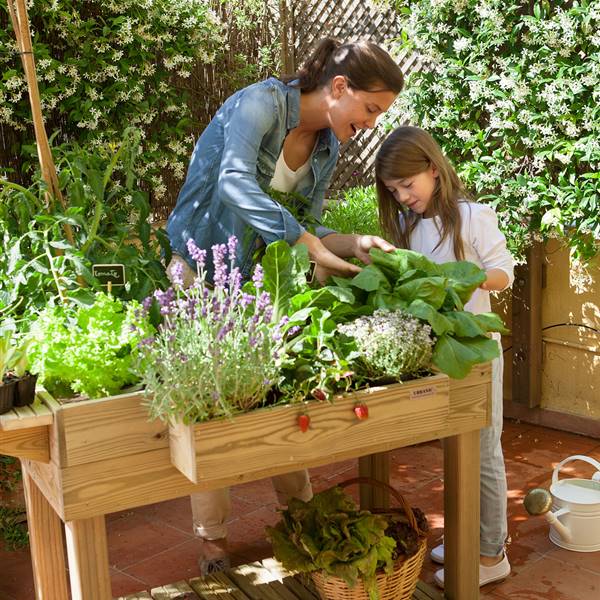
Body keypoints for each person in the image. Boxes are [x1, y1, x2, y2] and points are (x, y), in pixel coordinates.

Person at [166, 38, 404, 574]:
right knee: (212, 415)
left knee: (285, 401)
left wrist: (353, 243)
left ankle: (299, 519)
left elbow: (308, 224)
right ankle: (213, 545)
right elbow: (232, 182)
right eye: (370, 109)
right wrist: (306, 241)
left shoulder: (327, 148)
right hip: (201, 271)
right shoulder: (259, 105)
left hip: (263, 282)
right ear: (339, 88)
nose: (370, 124)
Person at [374, 126, 514, 589]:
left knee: (485, 451)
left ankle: (492, 553)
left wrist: (465, 280)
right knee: (454, 449)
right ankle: (464, 537)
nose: (403, 196)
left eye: (408, 184)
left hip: (476, 353)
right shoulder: (409, 228)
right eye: (394, 191)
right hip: (439, 355)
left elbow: (504, 272)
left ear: (433, 169)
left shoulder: (472, 216)